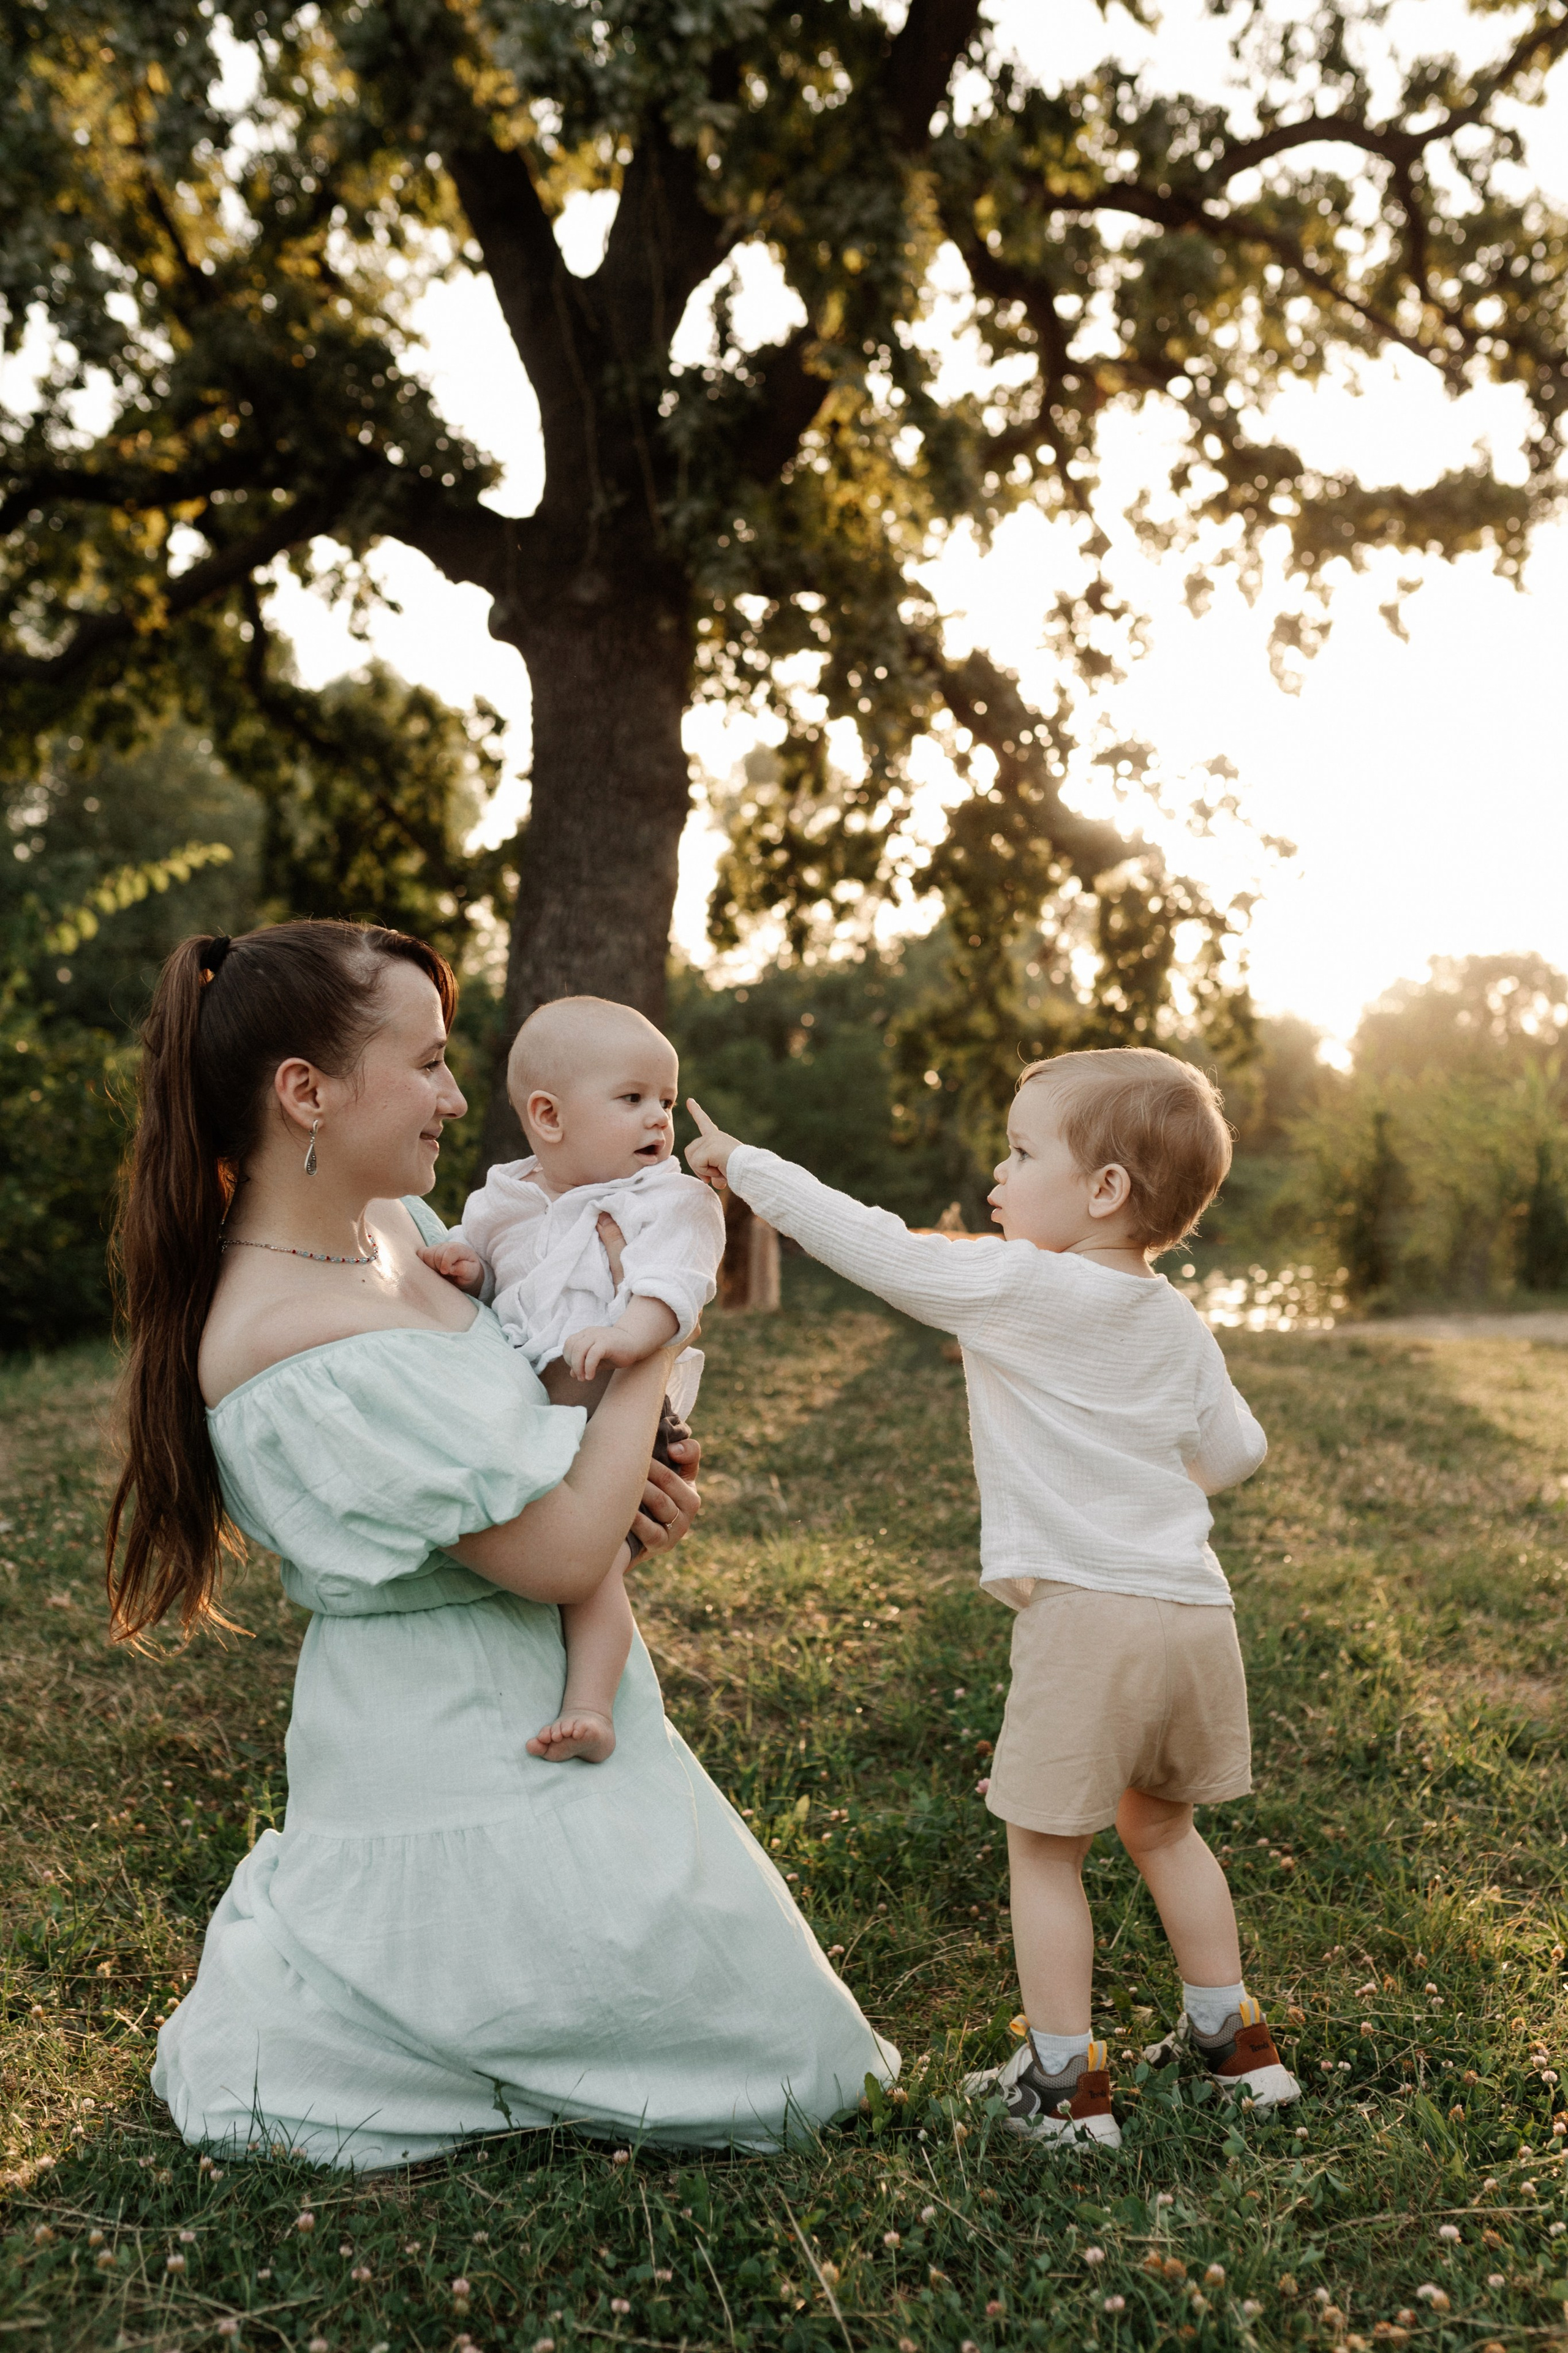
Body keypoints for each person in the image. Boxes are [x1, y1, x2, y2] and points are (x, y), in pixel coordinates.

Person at [106, 919, 897, 2171]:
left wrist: (640, 1490)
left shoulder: (402, 1226)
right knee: (784, 2072)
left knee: (799, 2056)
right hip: (452, 1752)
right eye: (423, 1063)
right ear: (305, 1092)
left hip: (555, 1705)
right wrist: (654, 1328)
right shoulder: (284, 1337)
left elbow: (550, 1468)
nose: (454, 1096)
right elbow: (558, 1554)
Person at [686, 1048, 1297, 2153]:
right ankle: (1235, 2049)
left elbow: (873, 1244)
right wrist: (1144, 1470)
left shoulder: (1023, 1284)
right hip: (1197, 1613)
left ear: (1105, 1190)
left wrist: (742, 1166)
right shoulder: (1177, 1320)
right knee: (1166, 1828)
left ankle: (1062, 2086)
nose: (996, 1177)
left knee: (1045, 1847)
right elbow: (1238, 1450)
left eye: (1021, 1153)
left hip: (1090, 1614)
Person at [418, 996, 725, 1764]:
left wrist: (633, 1332)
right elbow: (489, 1273)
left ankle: (590, 1707)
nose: (660, 1119)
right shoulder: (505, 1198)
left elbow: (678, 1284)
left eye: (665, 1099)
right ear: (548, 1117)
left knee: (594, 1574)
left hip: (622, 1416)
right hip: (536, 1411)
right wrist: (467, 1266)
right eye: (632, 1099)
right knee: (566, 1552)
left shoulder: (669, 1198)